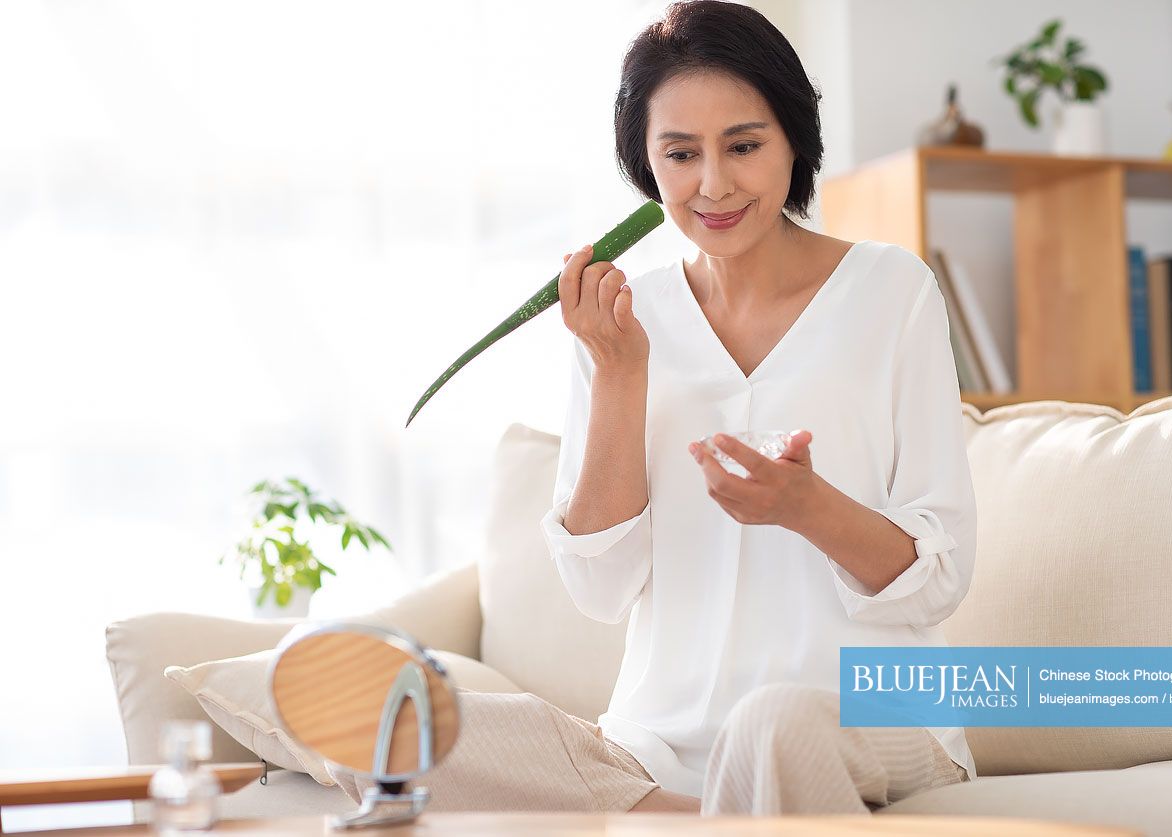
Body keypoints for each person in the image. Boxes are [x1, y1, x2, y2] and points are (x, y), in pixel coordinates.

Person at [333, 0, 976, 817]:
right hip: (660, 743)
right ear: (645, 164)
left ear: (792, 139)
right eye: (680, 153)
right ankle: (721, 816)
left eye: (743, 145)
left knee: (771, 726)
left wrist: (807, 507)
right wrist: (618, 372)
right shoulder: (619, 322)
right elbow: (601, 590)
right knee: (398, 726)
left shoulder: (891, 291)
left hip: (866, 719)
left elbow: (941, 574)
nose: (712, 184)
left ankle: (693, 818)